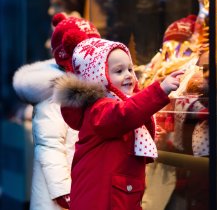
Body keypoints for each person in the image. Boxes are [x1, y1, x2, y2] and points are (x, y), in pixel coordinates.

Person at [53, 35, 184, 210]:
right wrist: (160, 90)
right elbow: (125, 114)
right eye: (119, 71)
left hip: (117, 194)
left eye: (130, 69)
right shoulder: (99, 109)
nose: (129, 75)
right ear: (98, 77)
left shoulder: (112, 107)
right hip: (101, 198)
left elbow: (128, 120)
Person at [12, 13, 101, 210]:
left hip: (81, 185)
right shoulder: (55, 92)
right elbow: (49, 145)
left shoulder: (86, 86)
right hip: (59, 194)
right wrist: (64, 192)